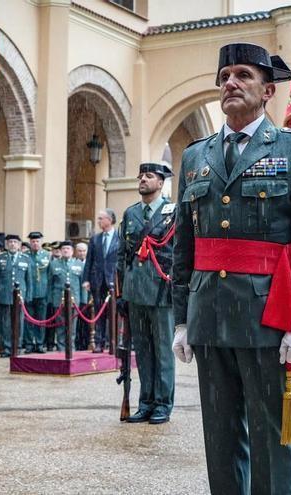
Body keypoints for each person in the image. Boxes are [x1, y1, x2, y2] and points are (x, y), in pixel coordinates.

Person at [171, 42, 291, 495]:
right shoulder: (195, 157)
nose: (230, 83)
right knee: (219, 437)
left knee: (270, 438)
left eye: (243, 74)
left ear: (268, 91)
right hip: (208, 314)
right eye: (225, 76)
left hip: (268, 316)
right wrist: (182, 318)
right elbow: (184, 244)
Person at [117, 163, 177, 425]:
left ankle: (163, 404)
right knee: (142, 350)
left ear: (161, 183)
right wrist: (121, 292)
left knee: (163, 351)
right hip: (135, 292)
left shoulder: (172, 213)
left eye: (148, 176)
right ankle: (146, 402)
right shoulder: (130, 214)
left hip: (162, 291)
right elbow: (122, 256)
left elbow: (178, 253)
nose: (142, 179)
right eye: (140, 175)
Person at [82, 209, 120, 353]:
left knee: (114, 313)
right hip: (97, 281)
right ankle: (99, 343)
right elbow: (89, 261)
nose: (98, 221)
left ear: (109, 220)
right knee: (99, 312)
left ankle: (114, 342)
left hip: (114, 281)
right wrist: (86, 279)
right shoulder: (95, 239)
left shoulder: (119, 238)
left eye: (100, 218)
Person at [0, 235, 33, 357]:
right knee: (5, 323)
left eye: (15, 242)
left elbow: (29, 280)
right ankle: (6, 347)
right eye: (10, 242)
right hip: (4, 294)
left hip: (20, 296)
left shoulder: (26, 259)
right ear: (6, 244)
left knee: (19, 322)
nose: (12, 244)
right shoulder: (0, 258)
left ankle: (17, 346)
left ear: (19, 245)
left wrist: (28, 296)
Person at [46, 241, 84, 351]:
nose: (66, 251)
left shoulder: (79, 264)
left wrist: (83, 300)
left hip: (74, 300)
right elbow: (50, 283)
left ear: (72, 251)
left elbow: (82, 284)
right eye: (64, 249)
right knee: (60, 325)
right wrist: (50, 299)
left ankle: (71, 347)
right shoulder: (54, 264)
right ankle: (61, 347)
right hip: (58, 299)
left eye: (68, 249)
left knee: (72, 326)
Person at [25, 232, 51, 353]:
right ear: (30, 243)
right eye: (33, 241)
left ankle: (40, 343)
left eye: (37, 241)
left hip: (43, 292)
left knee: (41, 320)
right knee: (29, 320)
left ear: (41, 242)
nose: (35, 243)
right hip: (29, 293)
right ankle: (29, 344)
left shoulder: (48, 256)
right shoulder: (24, 256)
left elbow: (50, 276)